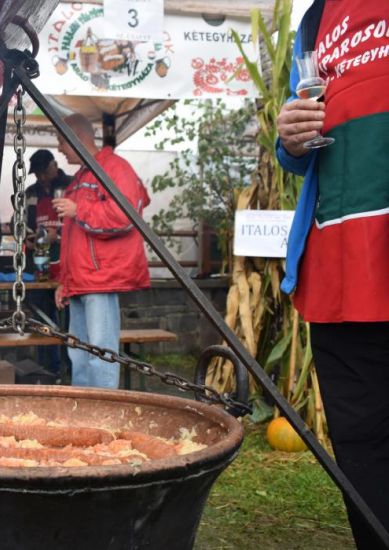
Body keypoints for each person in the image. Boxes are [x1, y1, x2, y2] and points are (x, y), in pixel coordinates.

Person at [275, 2, 389, 547]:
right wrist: (290, 138)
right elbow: (304, 146)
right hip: (337, 263)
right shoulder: (314, 18)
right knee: (361, 444)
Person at [52, 113, 151, 389]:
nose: (60, 148)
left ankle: (104, 416)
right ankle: (84, 415)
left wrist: (78, 209)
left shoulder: (114, 168)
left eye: (62, 141)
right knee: (80, 354)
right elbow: (76, 239)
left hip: (101, 278)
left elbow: (124, 216)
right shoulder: (85, 174)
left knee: (100, 353)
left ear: (77, 138)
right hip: (84, 280)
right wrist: (65, 281)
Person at [25, 149, 71, 374]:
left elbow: (78, 222)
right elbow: (23, 222)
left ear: (54, 166)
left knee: (69, 321)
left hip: (67, 264)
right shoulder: (30, 193)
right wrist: (29, 238)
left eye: (44, 172)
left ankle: (69, 368)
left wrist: (58, 236)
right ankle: (47, 369)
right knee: (42, 319)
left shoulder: (70, 185)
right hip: (40, 266)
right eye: (38, 174)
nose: (41, 178)